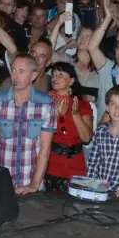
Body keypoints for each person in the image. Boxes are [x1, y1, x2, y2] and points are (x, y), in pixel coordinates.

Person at [0, 54, 57, 193]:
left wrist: (34, 185)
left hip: (31, 182)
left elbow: (45, 149)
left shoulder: (46, 104)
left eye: (21, 71)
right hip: (1, 182)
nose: (15, 76)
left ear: (34, 75)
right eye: (13, 70)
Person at [44, 61, 94, 192]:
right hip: (50, 164)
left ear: (71, 80)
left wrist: (75, 114)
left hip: (76, 165)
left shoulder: (82, 105)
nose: (55, 77)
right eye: (53, 74)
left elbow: (87, 138)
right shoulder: (44, 103)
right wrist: (54, 114)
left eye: (60, 74)